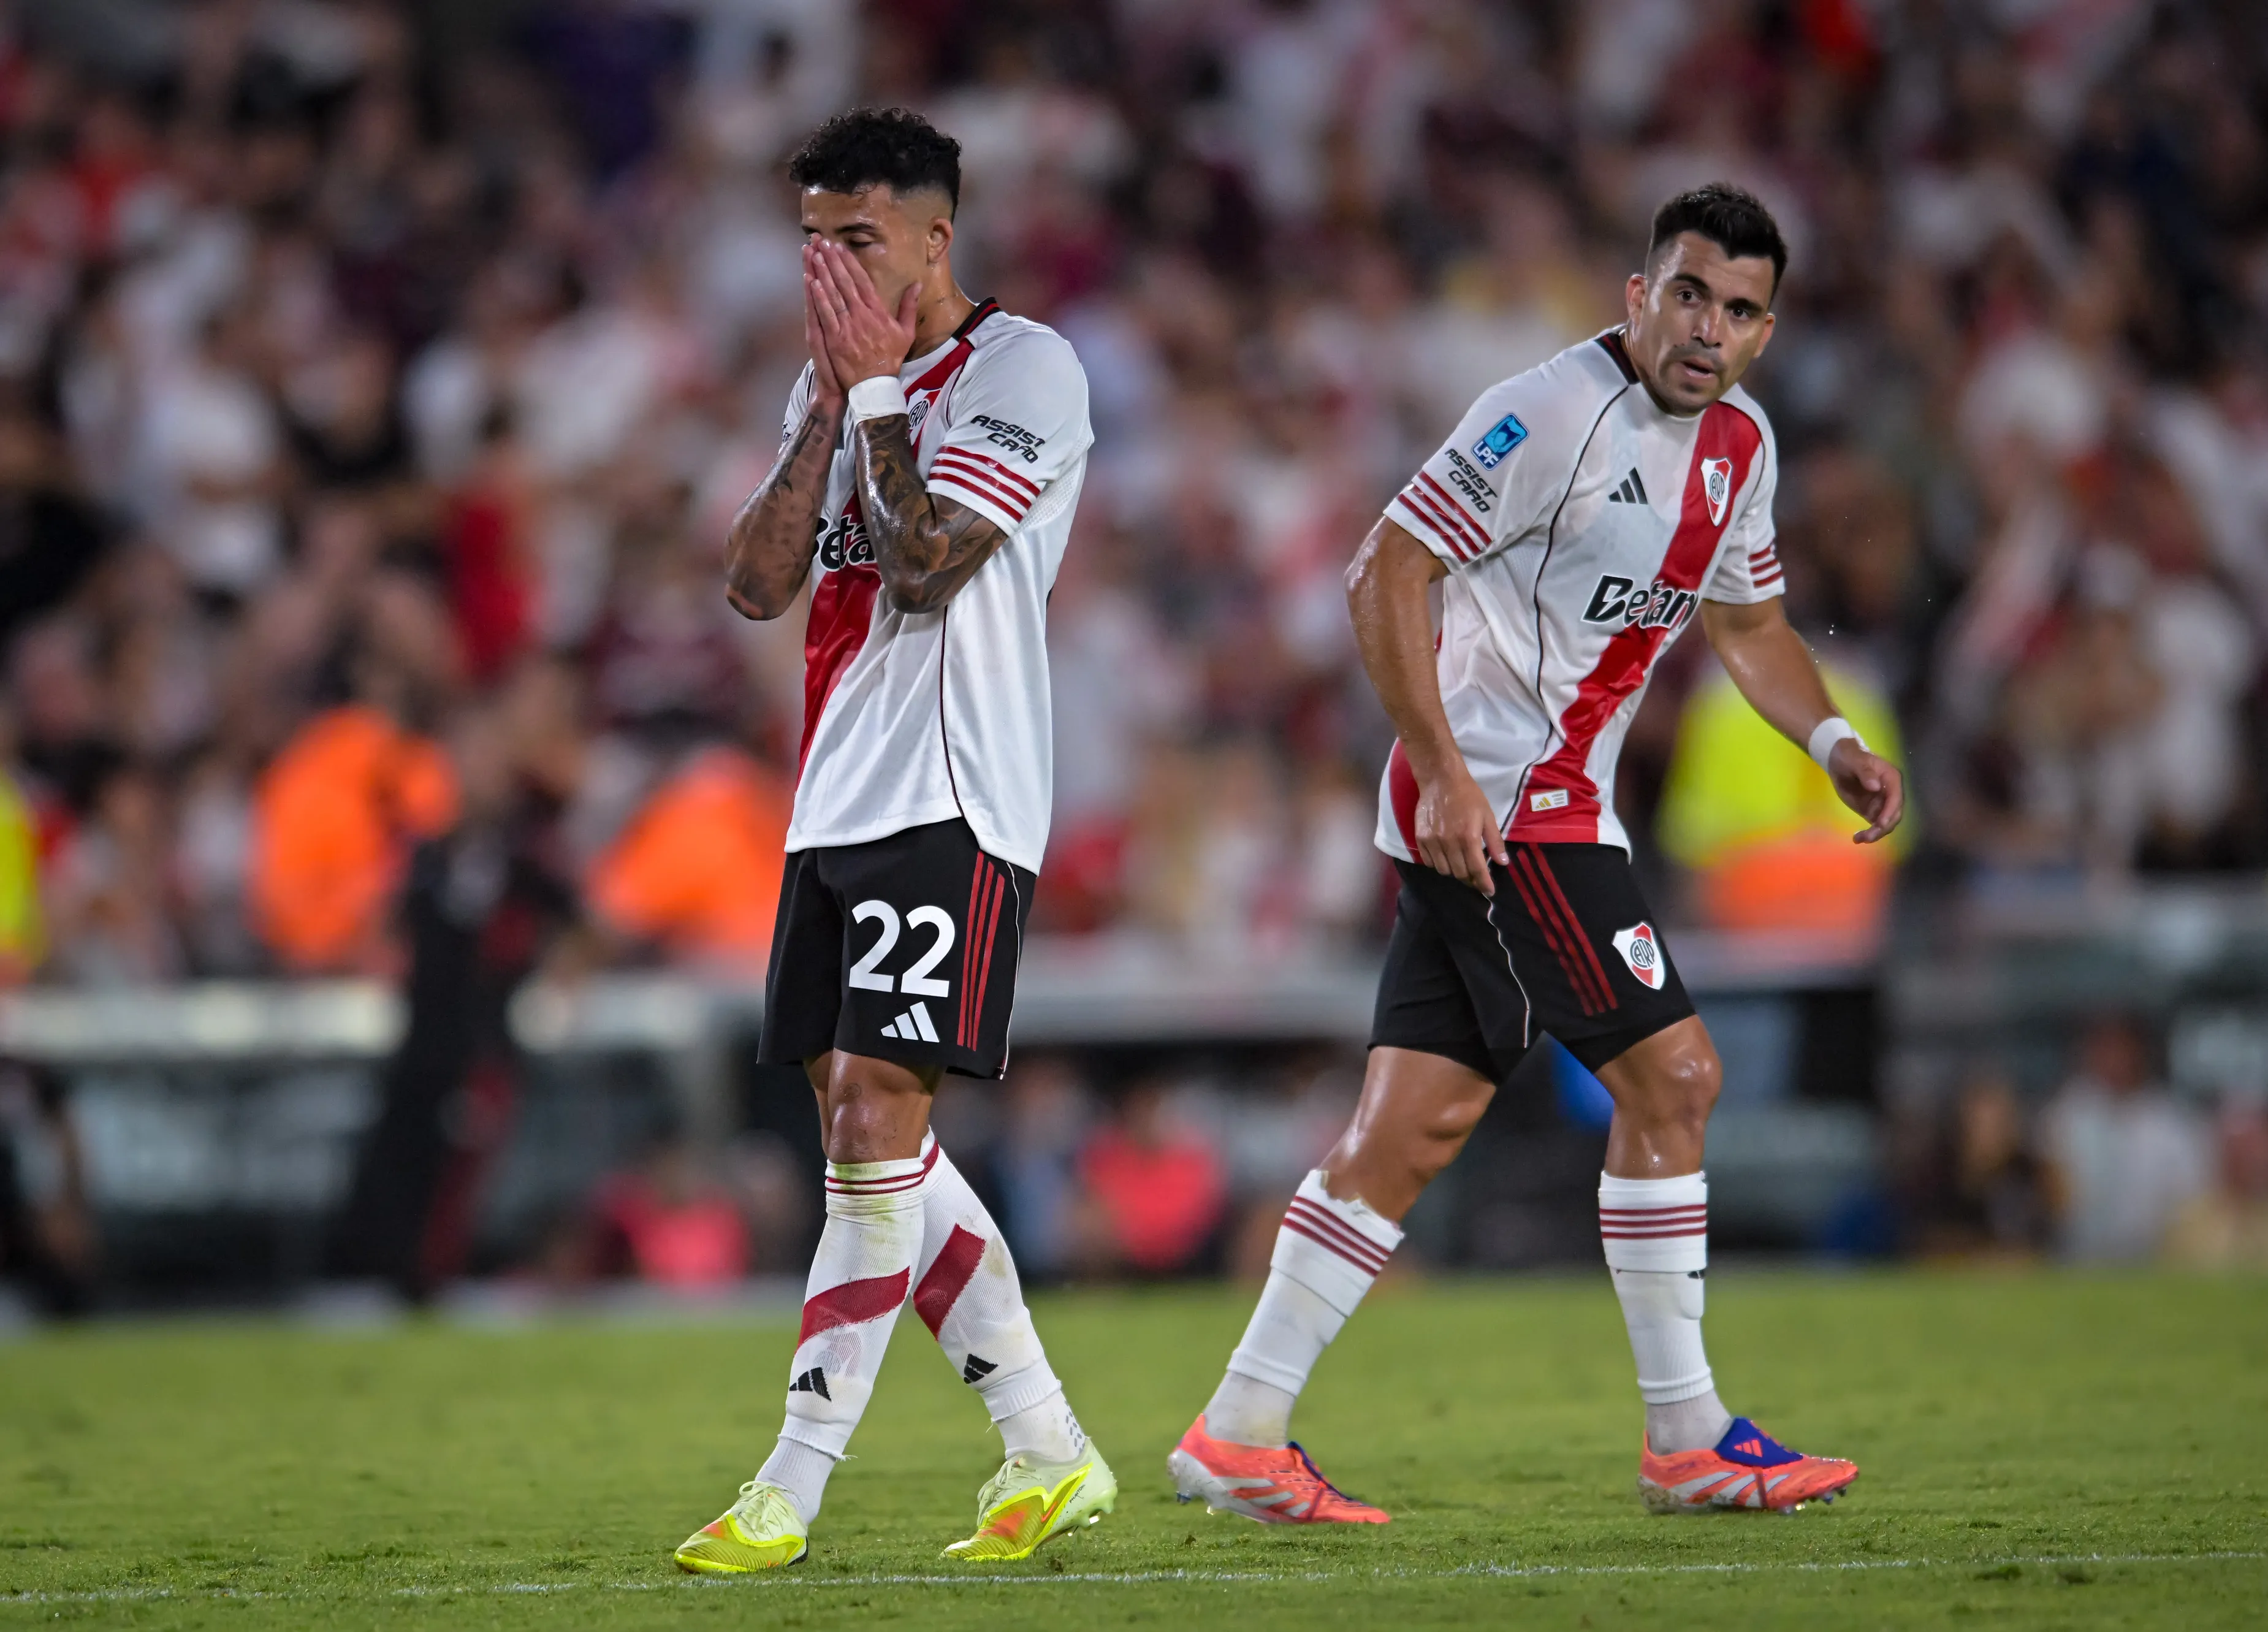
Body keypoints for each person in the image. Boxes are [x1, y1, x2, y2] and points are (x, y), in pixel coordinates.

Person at [1169, 185, 1904, 1522]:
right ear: (1637, 296)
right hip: (1509, 802)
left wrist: (1831, 737)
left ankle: (1237, 1427)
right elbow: (1382, 570)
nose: (1708, 327)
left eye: (1738, 310)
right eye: (1687, 293)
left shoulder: (1740, 446)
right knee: (1674, 1074)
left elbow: (1747, 627)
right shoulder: (1547, 412)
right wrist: (1446, 769)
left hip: (1545, 800)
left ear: (1764, 330)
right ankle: (1684, 1432)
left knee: (1415, 1121)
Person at [671, 109, 1111, 1574]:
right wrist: (827, 406)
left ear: (935, 234)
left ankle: (787, 1486)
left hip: (956, 787)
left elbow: (924, 567)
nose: (829, 267)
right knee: (874, 1144)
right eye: (809, 240)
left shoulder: (1025, 368)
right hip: (835, 798)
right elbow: (753, 582)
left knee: (872, 1124)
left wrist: (871, 401)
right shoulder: (833, 379)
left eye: (854, 237)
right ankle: (1047, 1447)